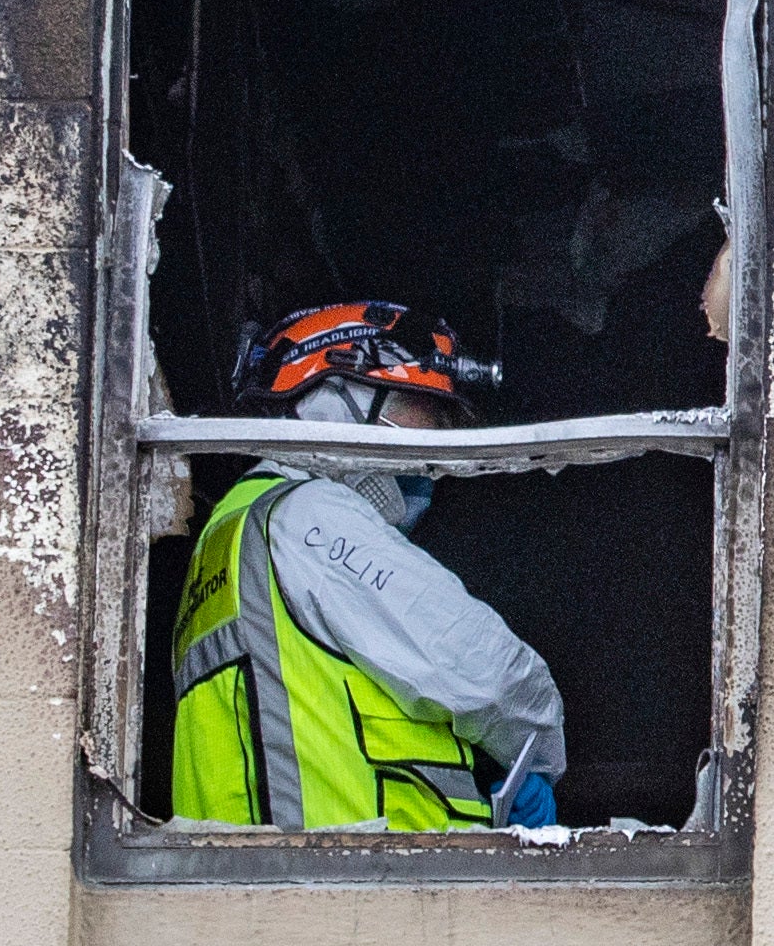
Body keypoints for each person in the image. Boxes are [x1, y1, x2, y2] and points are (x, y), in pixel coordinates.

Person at [167, 302, 566, 832]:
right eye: (421, 408)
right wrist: (536, 756)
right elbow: (485, 669)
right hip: (362, 872)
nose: (434, 450)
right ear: (334, 400)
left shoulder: (230, 533)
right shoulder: (310, 516)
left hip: (271, 872)